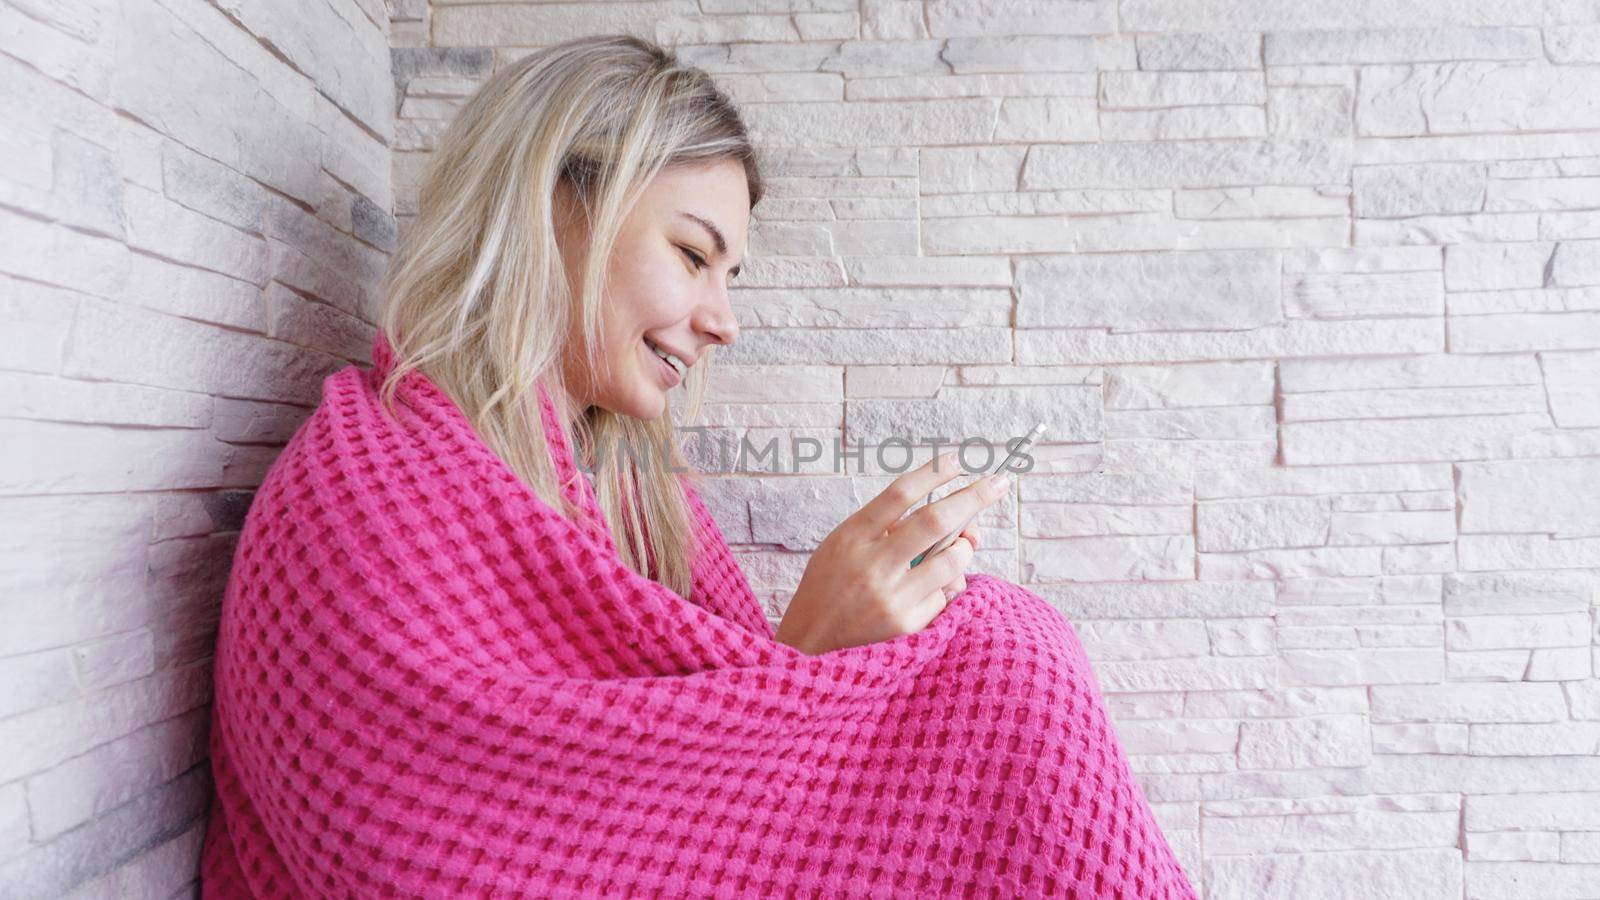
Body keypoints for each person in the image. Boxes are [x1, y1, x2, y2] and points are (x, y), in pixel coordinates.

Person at [199, 33, 1197, 898]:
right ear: (556, 206)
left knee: (998, 642)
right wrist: (807, 659)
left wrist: (814, 666)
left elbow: (669, 797)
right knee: (998, 655)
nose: (723, 319)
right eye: (691, 254)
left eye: (730, 275)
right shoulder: (369, 490)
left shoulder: (629, 487)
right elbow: (417, 855)